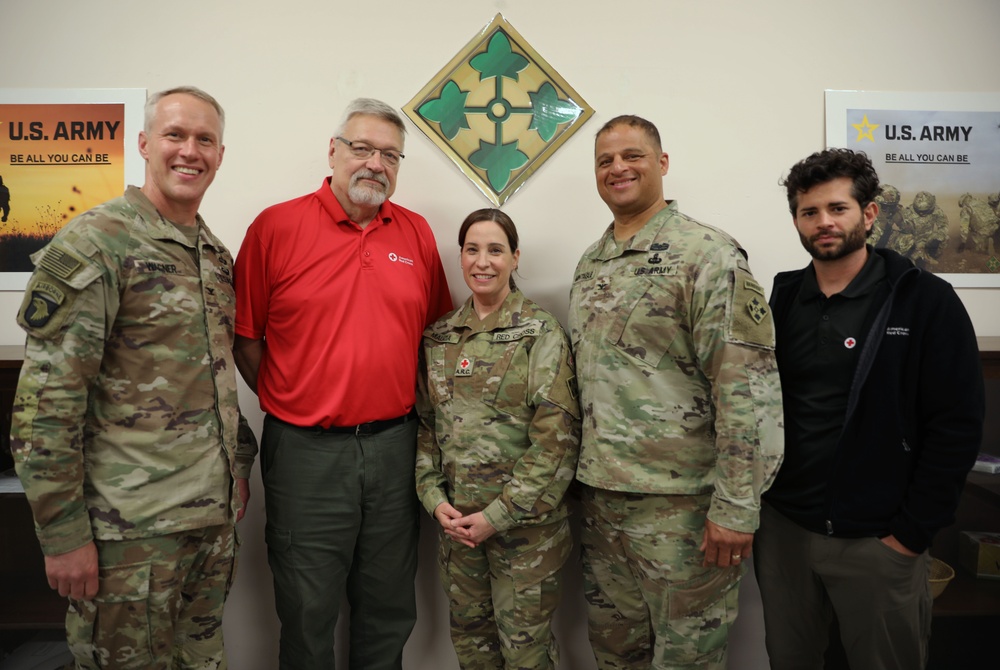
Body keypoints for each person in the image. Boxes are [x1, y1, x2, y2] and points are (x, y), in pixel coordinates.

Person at [10, 86, 256, 669]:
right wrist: (64, 535)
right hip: (129, 533)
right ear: (144, 144)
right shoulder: (98, 242)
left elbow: (217, 379)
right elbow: (44, 407)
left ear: (221, 154)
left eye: (205, 139)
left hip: (208, 524)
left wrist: (237, 467)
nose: (189, 151)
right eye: (175, 135)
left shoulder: (213, 255)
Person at [234, 98, 453, 670]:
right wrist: (295, 397)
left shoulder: (417, 233)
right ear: (332, 151)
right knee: (306, 611)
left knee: (387, 608)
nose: (375, 163)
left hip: (394, 448)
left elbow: (434, 339)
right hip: (306, 452)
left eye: (390, 155)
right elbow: (246, 337)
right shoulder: (275, 227)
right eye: (362, 147)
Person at [568, 115, 784, 669]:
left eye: (632, 155)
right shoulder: (591, 263)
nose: (618, 168)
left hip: (683, 510)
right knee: (616, 655)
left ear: (662, 163)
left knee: (686, 660)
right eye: (605, 160)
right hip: (602, 503)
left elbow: (745, 386)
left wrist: (737, 505)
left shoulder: (707, 254)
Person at [756, 148, 985, 670]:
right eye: (809, 212)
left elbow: (957, 425)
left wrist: (909, 535)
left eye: (837, 208)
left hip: (878, 539)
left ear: (870, 213)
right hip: (786, 530)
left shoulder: (924, 301)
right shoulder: (783, 299)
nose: (823, 222)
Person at [415, 208, 581, 669]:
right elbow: (427, 427)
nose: (482, 262)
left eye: (495, 250)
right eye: (472, 250)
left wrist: (499, 515)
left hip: (525, 535)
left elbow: (557, 440)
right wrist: (433, 499)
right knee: (473, 651)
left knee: (525, 655)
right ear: (461, 256)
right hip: (458, 533)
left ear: (514, 257)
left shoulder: (540, 332)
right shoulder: (439, 337)